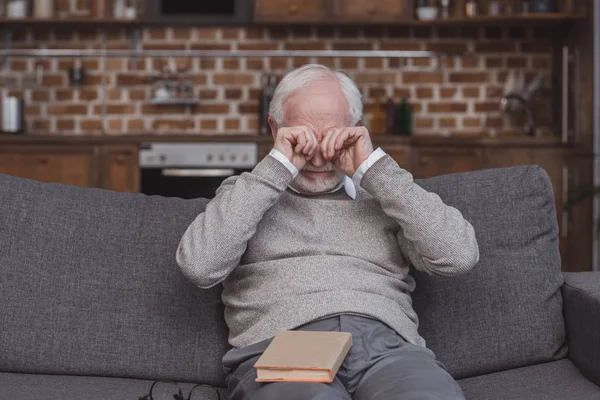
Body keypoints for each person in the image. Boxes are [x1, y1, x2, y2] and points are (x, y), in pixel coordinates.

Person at [176, 64, 480, 400]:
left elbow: (459, 256)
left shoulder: (386, 195)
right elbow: (198, 266)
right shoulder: (246, 195)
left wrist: (375, 170)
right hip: (282, 351)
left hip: (387, 350)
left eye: (331, 136)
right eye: (302, 137)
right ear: (275, 129)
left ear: (356, 130)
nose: (319, 157)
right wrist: (276, 167)